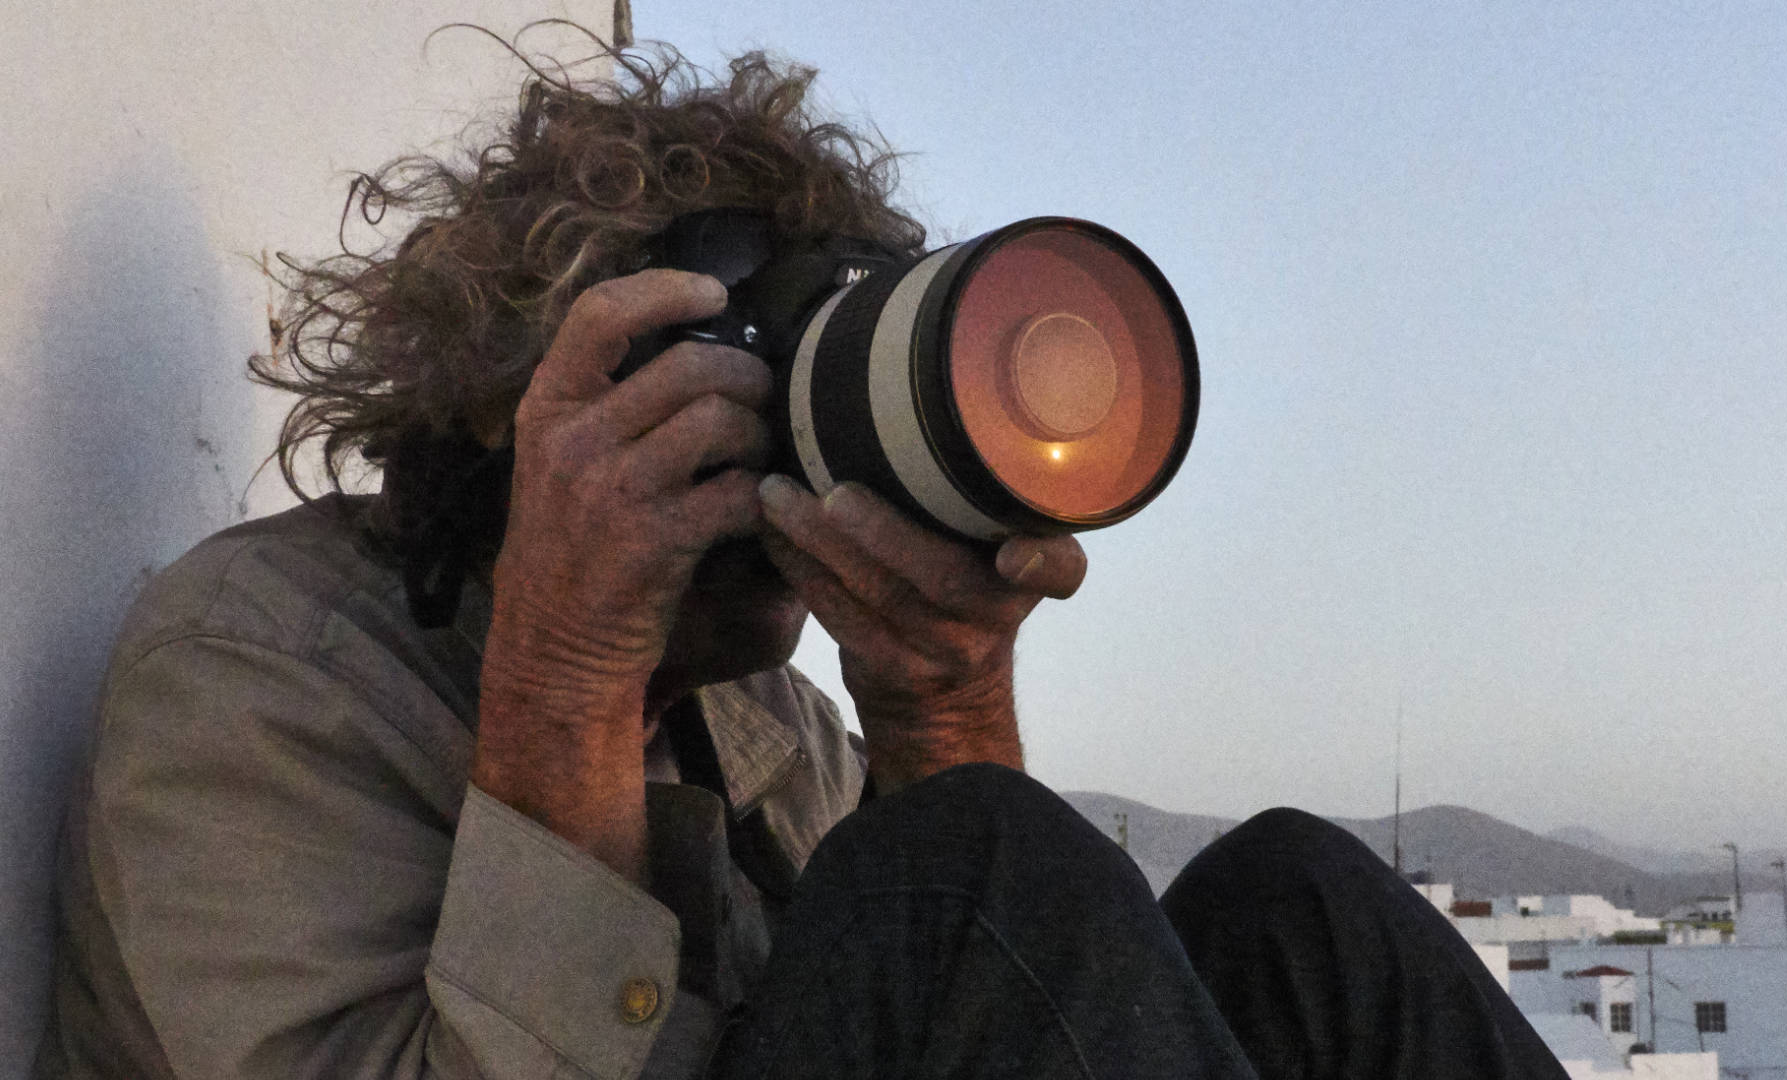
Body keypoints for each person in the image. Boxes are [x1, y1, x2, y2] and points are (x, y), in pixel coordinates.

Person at [35, 29, 1568, 1080]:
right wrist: (566, 684)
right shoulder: (253, 675)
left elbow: (1002, 1017)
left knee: (1299, 906)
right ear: (528, 400)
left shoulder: (768, 726)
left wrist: (943, 714)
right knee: (968, 862)